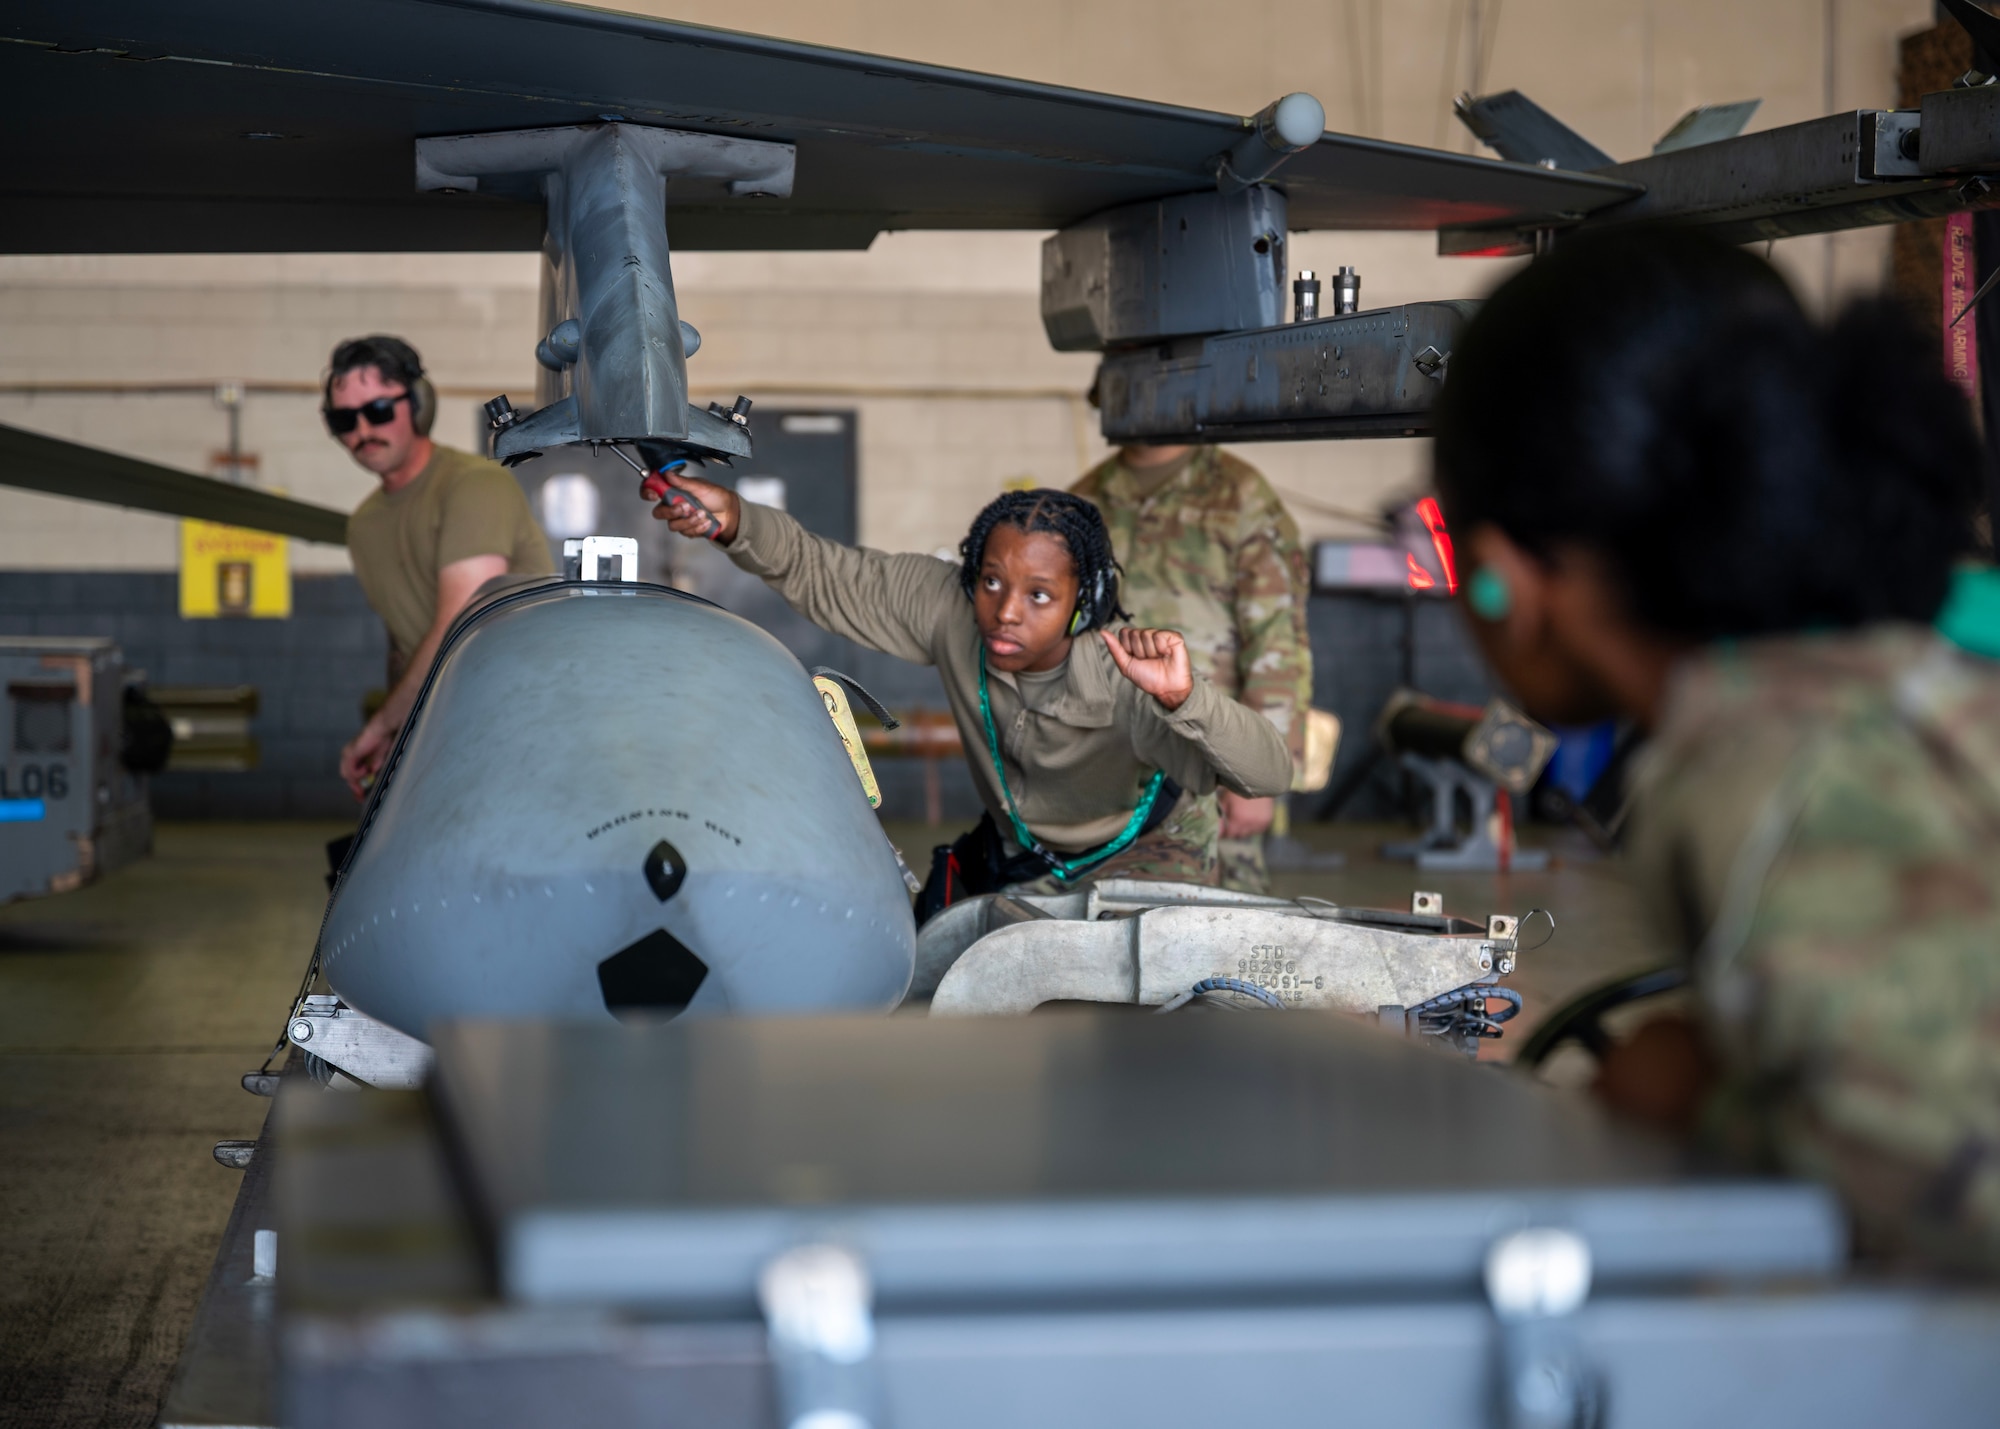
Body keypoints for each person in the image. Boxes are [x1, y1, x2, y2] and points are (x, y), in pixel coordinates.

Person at [1432, 226, 2000, 1272]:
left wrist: (1700, 1108)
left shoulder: (1784, 768)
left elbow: (1950, 1200)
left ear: (1501, 575)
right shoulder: (1926, 658)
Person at [649, 475, 1293, 905]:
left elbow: (1269, 772)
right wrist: (736, 521)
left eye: (1039, 595)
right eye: (991, 581)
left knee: (1112, 988)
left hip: (1145, 850)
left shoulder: (1128, 678)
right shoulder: (950, 607)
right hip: (1024, 849)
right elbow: (825, 569)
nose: (1006, 611)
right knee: (933, 956)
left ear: (1083, 603)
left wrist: (1187, 701)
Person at [1071, 443, 1312, 892]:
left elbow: (1276, 641)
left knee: (1227, 923)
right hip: (1110, 757)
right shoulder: (1089, 496)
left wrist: (1260, 783)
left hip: (1214, 750)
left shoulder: (1239, 494)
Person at [326, 335, 553, 797]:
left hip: (528, 730)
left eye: (380, 411)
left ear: (419, 405)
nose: (362, 430)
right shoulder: (365, 525)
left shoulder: (475, 486)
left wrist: (383, 726)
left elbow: (458, 622)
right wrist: (397, 735)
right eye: (345, 419)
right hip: (449, 734)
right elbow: (405, 646)